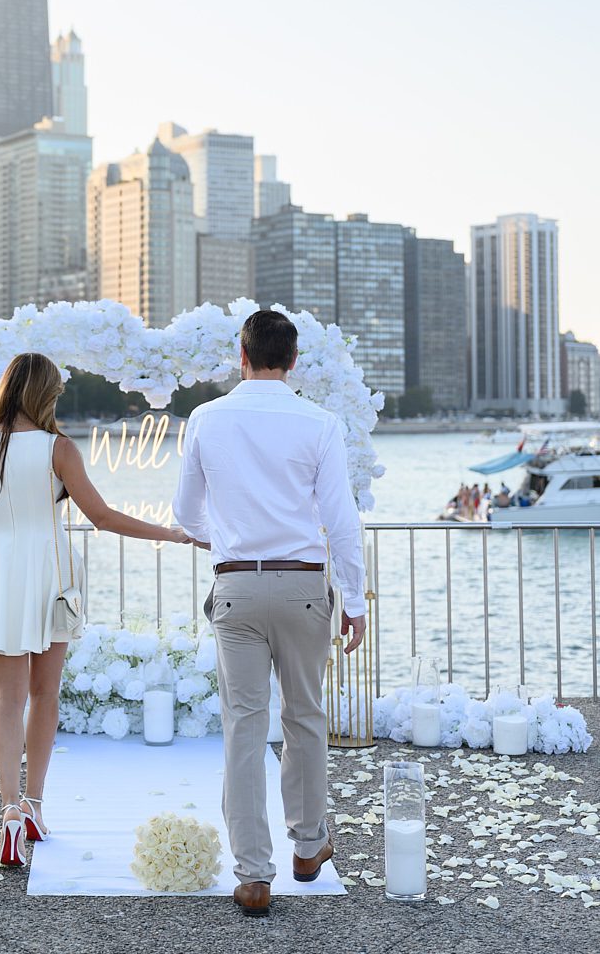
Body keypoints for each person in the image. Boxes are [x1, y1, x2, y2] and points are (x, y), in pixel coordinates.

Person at [0, 352, 190, 867]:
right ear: (44, 394)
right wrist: (170, 533)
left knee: (7, 698)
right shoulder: (57, 449)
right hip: (51, 577)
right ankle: (35, 805)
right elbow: (102, 517)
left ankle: (10, 811)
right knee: (44, 694)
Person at [172, 310, 366, 917]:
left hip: (237, 588)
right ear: (294, 358)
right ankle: (308, 847)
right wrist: (355, 602)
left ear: (241, 353)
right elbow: (342, 520)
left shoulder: (206, 418)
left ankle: (255, 874)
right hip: (306, 587)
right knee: (305, 717)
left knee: (244, 727)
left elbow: (186, 514)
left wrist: (224, 536)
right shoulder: (321, 422)